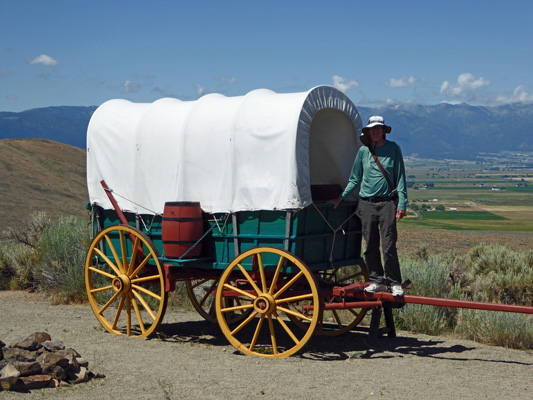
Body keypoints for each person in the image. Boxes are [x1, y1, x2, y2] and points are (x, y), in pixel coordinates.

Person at [333, 116, 407, 296]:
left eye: (378, 128)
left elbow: (400, 178)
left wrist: (402, 203)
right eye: (371, 129)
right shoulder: (363, 152)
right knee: (370, 245)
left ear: (383, 131)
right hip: (366, 204)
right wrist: (342, 197)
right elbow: (355, 178)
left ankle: (394, 282)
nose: (375, 131)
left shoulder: (393, 149)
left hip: (387, 203)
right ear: (368, 132)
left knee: (389, 245)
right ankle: (376, 281)